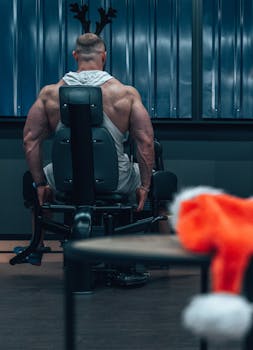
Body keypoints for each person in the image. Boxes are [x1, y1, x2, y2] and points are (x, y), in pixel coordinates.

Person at [19, 33, 155, 265]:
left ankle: (37, 246)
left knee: (31, 182)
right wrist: (145, 186)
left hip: (64, 179)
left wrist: (42, 184)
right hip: (117, 179)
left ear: (75, 56)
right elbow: (146, 142)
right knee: (158, 179)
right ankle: (157, 253)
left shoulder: (49, 94)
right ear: (104, 56)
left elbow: (30, 141)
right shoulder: (125, 94)